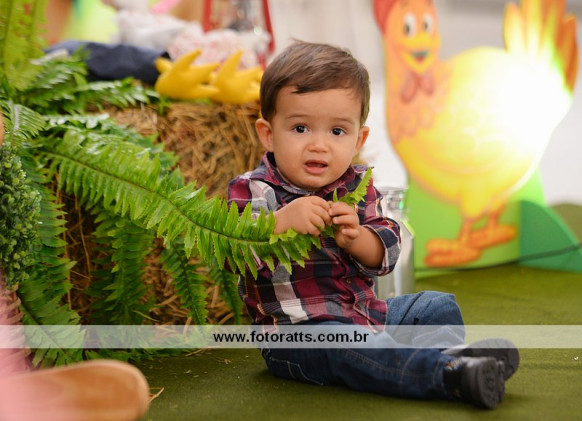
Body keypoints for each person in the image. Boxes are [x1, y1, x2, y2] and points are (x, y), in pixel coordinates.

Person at [227, 40, 519, 409]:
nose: (319, 145)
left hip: (366, 315)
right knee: (356, 345)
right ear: (268, 134)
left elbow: (387, 251)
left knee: (434, 305)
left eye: (337, 131)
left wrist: (358, 238)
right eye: (300, 128)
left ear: (358, 139)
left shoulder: (356, 186)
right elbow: (232, 253)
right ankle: (446, 374)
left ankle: (450, 356)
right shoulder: (254, 189)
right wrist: (280, 223)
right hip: (299, 335)